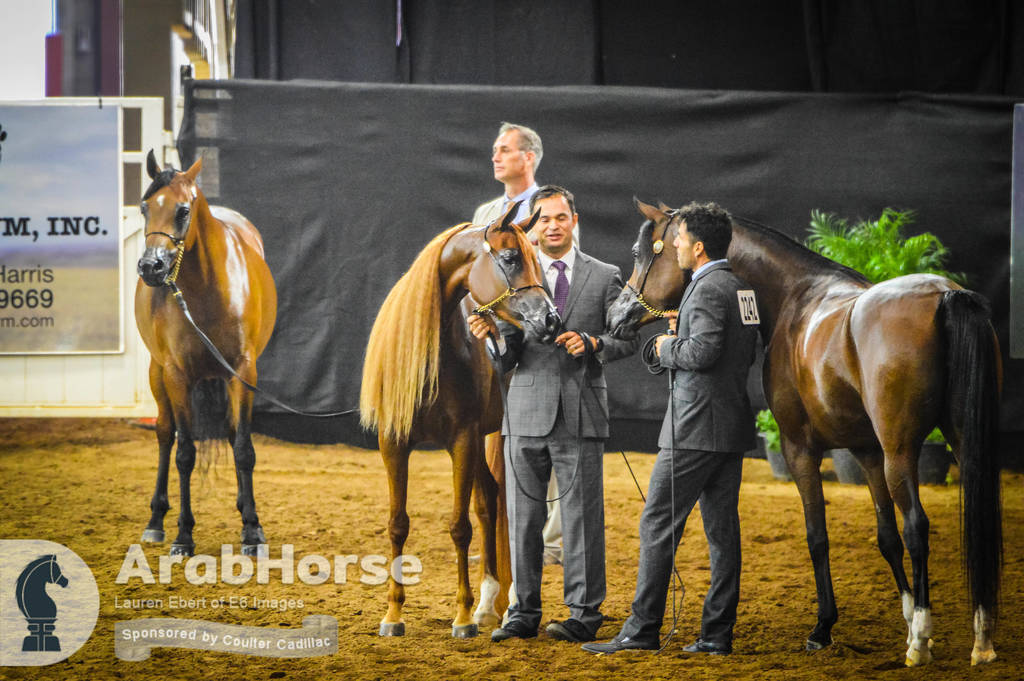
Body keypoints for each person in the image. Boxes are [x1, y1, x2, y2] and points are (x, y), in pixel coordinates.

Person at [582, 201, 760, 656]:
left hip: (694, 428)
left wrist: (664, 345)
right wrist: (681, 336)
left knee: (658, 523)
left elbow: (701, 354)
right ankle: (717, 634)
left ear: (698, 248)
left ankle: (642, 631)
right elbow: (741, 349)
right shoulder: (740, 287)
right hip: (731, 426)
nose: (675, 246)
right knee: (723, 534)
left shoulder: (702, 290)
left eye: (679, 239)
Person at [468, 185, 637, 644]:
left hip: (581, 414)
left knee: (583, 520)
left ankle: (583, 614)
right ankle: (523, 612)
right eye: (543, 219)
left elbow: (627, 338)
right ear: (533, 227)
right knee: (522, 518)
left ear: (574, 221)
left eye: (560, 217)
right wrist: (489, 337)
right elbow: (506, 359)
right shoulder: (513, 278)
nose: (553, 225)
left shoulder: (605, 275)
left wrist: (595, 343)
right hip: (523, 414)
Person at [474, 121, 563, 566]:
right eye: (495, 149)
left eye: (505, 149)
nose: (496, 156)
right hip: (493, 339)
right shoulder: (486, 212)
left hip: (536, 339)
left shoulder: (551, 208)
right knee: (492, 437)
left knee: (544, 439)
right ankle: (499, 532)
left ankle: (548, 541)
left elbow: (553, 273)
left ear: (529, 157)